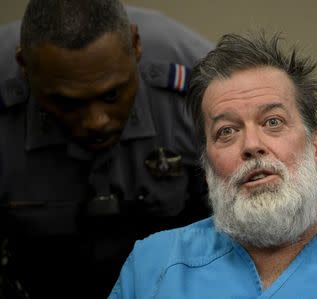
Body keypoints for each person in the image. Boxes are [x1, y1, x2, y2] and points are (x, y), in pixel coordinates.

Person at [109, 31, 317, 298]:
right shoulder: (153, 264)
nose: (252, 146)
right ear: (207, 166)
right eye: (226, 131)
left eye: (272, 122)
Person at [0, 1, 212, 298]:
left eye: (112, 94)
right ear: (25, 68)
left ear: (136, 46)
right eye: (68, 103)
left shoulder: (200, 83)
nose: (96, 122)